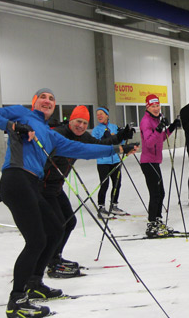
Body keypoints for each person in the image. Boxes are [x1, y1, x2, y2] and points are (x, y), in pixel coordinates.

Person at [0, 88, 123, 318]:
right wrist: (12, 126)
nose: (47, 100)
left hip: (32, 184)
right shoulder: (21, 115)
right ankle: (17, 301)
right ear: (34, 102)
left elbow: (82, 149)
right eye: (43, 97)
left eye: (52, 99)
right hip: (16, 178)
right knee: (35, 241)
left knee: (56, 229)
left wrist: (117, 148)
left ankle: (35, 283)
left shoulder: (50, 133)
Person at [42, 105, 135, 279]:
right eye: (78, 121)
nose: (81, 126)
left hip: (56, 186)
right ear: (71, 121)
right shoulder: (60, 134)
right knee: (55, 226)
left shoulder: (83, 136)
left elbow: (100, 145)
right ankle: (49, 263)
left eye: (85, 123)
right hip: (43, 185)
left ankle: (55, 257)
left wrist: (122, 137)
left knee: (68, 222)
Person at [140, 94, 181, 237]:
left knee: (161, 192)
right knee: (155, 193)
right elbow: (149, 143)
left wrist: (171, 127)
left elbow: (160, 139)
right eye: (153, 106)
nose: (156, 108)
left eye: (157, 105)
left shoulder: (157, 119)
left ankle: (157, 219)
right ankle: (151, 223)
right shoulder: (146, 121)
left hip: (155, 161)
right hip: (148, 161)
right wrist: (159, 128)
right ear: (148, 107)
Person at [92, 107, 129, 216]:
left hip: (115, 159)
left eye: (101, 114)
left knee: (117, 183)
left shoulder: (114, 127)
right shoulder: (96, 130)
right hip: (103, 161)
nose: (99, 116)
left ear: (107, 115)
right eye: (97, 114)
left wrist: (124, 134)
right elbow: (95, 144)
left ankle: (114, 205)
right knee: (105, 184)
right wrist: (104, 138)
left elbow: (121, 141)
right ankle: (101, 206)